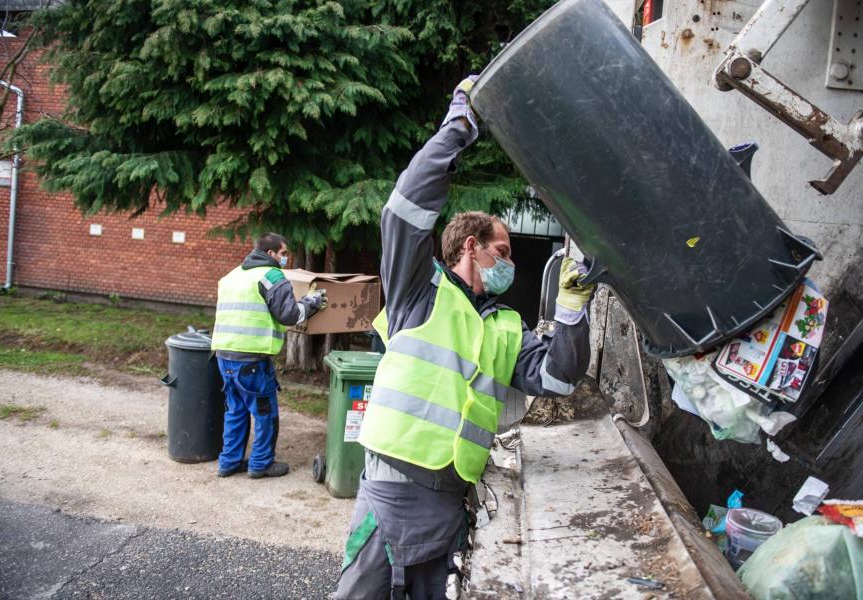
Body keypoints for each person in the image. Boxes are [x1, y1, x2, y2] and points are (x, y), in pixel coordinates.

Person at [334, 77, 596, 599]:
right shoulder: (419, 290)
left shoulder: (505, 327)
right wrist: (459, 127)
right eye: (504, 250)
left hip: (452, 498)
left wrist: (571, 308)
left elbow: (561, 379)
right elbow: (403, 211)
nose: (511, 262)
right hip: (391, 490)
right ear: (472, 247)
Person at [211, 233, 326, 479]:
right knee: (265, 413)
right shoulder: (271, 275)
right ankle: (261, 464)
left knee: (235, 411)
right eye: (283, 254)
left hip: (224, 356)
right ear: (271, 254)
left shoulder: (232, 275)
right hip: (252, 361)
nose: (285, 258)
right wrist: (311, 303)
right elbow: (288, 315)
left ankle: (229, 463)